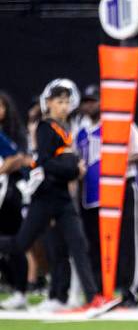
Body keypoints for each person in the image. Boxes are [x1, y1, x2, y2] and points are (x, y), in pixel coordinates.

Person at [0, 79, 117, 316]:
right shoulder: (46, 128)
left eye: (66, 101)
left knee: (78, 245)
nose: (63, 106)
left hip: (62, 197)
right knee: (20, 243)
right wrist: (72, 166)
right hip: (45, 197)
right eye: (58, 101)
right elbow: (43, 163)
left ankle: (93, 297)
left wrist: (71, 166)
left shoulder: (65, 129)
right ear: (49, 103)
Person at [75, 85, 138, 307]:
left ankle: (129, 291)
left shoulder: (121, 122)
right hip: (91, 192)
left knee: (127, 240)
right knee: (94, 242)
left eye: (94, 101)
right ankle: (99, 291)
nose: (90, 105)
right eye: (87, 101)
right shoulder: (81, 130)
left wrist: (117, 162)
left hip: (120, 186)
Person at [0, 90, 30, 310]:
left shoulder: (13, 133)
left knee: (16, 242)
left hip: (10, 193)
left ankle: (20, 291)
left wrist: (4, 168)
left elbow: (20, 158)